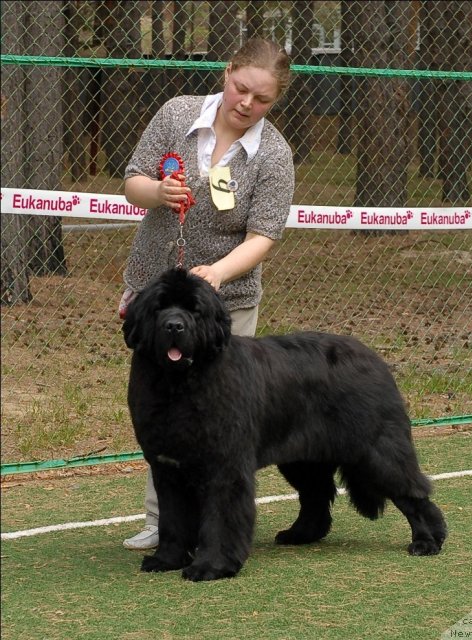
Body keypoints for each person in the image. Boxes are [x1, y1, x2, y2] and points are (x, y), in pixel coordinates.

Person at [121, 38, 295, 550]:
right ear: (228, 72)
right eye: (241, 88)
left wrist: (215, 275)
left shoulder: (275, 155)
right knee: (160, 409)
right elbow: (132, 180)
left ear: (273, 102)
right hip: (155, 294)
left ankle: (216, 529)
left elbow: (264, 235)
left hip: (224, 304)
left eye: (261, 99)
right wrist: (157, 192)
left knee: (218, 423)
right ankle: (164, 522)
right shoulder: (176, 114)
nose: (246, 103)